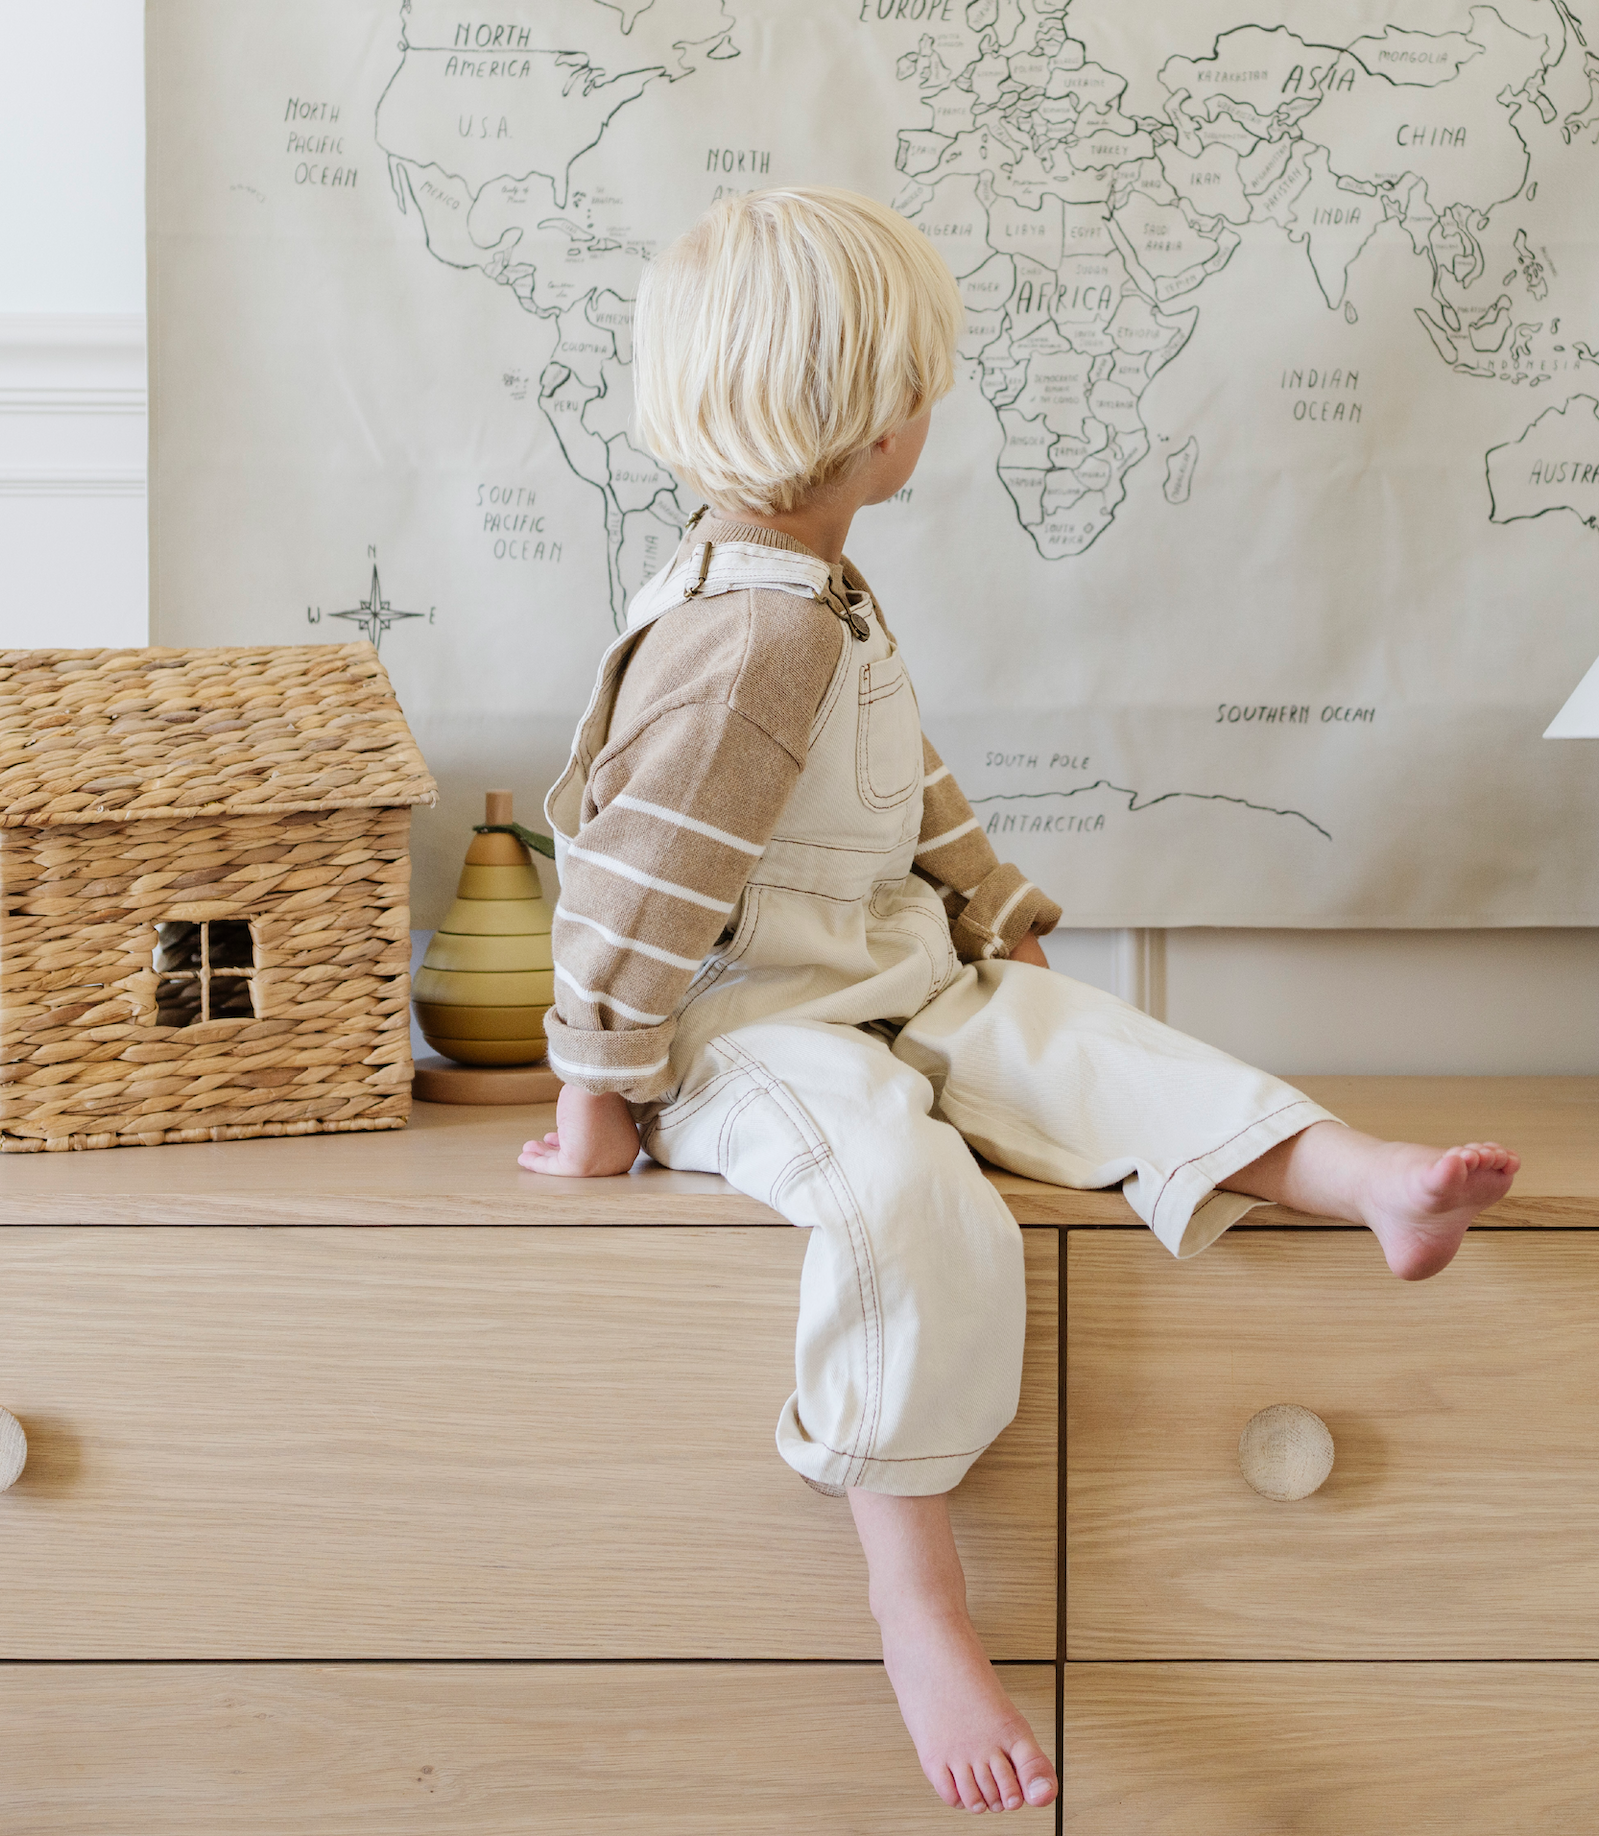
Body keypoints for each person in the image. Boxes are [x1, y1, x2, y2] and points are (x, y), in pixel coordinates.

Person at [519, 187, 1518, 1818]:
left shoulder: (823, 599)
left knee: (1098, 1047)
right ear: (860, 422)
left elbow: (914, 784)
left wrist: (1003, 923)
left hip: (890, 972)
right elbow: (635, 894)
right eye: (918, 385)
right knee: (902, 1198)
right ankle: (917, 1598)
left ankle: (1363, 1178)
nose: (935, 409)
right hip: (750, 1031)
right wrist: (594, 1102)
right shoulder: (741, 640)